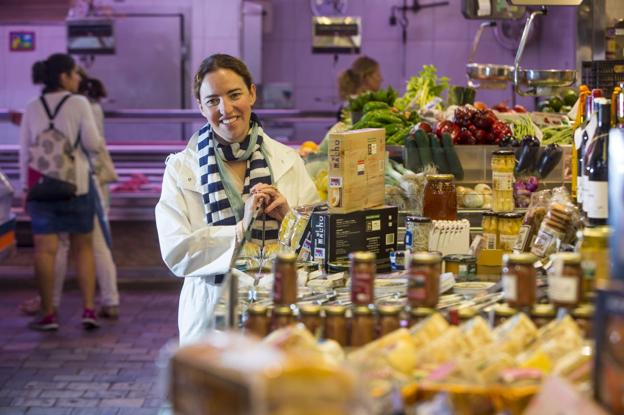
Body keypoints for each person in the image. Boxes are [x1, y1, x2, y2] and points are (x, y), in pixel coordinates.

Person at [155, 54, 319, 345]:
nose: (226, 109)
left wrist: (288, 218)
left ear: (252, 93)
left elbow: (318, 244)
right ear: (201, 108)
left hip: (278, 312)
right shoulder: (182, 170)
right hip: (210, 318)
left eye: (234, 95)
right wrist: (240, 230)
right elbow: (176, 252)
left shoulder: (288, 160)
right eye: (213, 100)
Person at [19, 53, 102, 331]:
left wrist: (24, 189)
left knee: (45, 251)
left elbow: (24, 151)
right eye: (75, 73)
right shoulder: (79, 103)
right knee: (83, 248)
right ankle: (88, 310)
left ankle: (48, 314)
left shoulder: (32, 107)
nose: (79, 78)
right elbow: (92, 143)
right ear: (63, 76)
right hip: (76, 186)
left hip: (41, 189)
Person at [53, 72, 120, 319]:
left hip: (70, 183)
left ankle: (51, 304)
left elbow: (90, 142)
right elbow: (95, 142)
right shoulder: (90, 106)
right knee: (98, 243)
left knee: (60, 244)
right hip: (90, 182)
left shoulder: (75, 106)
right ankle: (109, 299)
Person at [318, 56, 383, 154]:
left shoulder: (354, 102)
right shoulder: (356, 106)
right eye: (378, 74)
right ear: (367, 77)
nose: (381, 79)